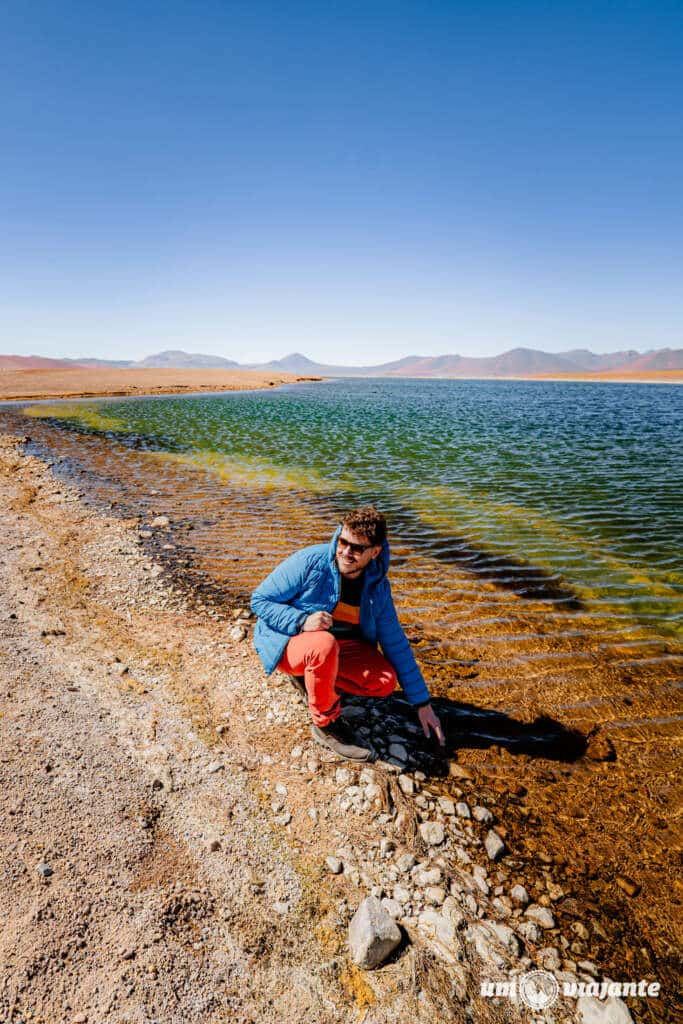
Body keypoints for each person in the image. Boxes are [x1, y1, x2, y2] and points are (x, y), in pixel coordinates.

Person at [251, 506, 445, 761]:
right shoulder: (311, 561)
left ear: (374, 552)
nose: (345, 552)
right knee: (322, 645)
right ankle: (325, 725)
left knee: (384, 680)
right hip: (290, 641)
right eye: (343, 542)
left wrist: (422, 703)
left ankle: (315, 682)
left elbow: (395, 642)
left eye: (356, 548)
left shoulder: (377, 586)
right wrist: (300, 620)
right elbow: (260, 600)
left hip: (340, 647)